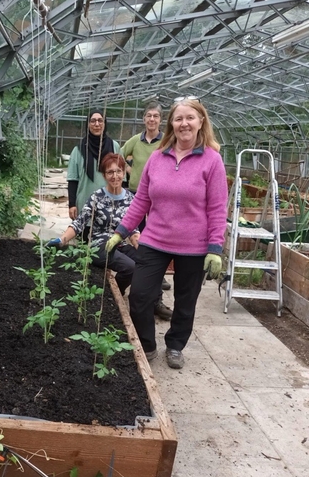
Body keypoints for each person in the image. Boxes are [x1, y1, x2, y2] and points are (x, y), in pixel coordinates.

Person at [106, 98, 228, 369]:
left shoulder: (212, 160)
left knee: (186, 301)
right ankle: (147, 345)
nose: (184, 123)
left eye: (190, 118)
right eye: (178, 118)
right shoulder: (157, 157)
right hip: (155, 239)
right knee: (139, 296)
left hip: (193, 246)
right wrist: (121, 231)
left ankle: (174, 345)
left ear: (201, 122)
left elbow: (218, 208)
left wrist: (215, 248)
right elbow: (141, 201)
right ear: (171, 123)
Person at [48, 153, 139, 295]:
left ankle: (117, 293)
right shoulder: (97, 197)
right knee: (130, 267)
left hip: (120, 244)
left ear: (123, 173)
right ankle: (113, 295)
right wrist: (62, 239)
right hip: (100, 246)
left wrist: (142, 248)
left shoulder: (130, 199)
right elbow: (80, 222)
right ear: (104, 175)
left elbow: (133, 229)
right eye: (110, 172)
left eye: (118, 171)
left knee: (144, 262)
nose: (115, 176)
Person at [122, 100, 172, 321]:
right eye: (149, 116)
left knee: (157, 242)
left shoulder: (167, 142)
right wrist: (130, 171)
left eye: (156, 116)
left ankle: (156, 291)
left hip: (159, 199)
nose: (152, 120)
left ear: (161, 120)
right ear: (144, 119)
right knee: (140, 242)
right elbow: (119, 155)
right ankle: (145, 283)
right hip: (136, 196)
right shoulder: (136, 140)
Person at [67, 109, 120, 227]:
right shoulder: (79, 149)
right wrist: (72, 205)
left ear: (105, 124)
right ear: (88, 124)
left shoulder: (114, 147)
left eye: (100, 120)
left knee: (107, 242)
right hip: (84, 205)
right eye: (93, 121)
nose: (97, 124)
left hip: (109, 205)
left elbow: (121, 179)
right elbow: (72, 180)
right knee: (84, 241)